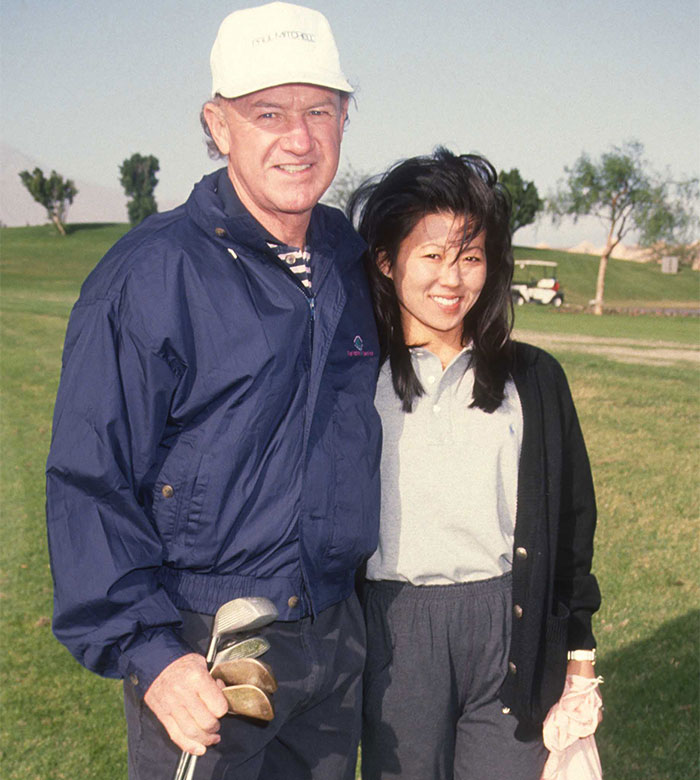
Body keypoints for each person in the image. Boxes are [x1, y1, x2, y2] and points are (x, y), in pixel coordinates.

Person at [45, 4, 381, 779]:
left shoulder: (351, 264)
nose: (298, 139)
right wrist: (152, 653)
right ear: (218, 124)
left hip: (332, 639)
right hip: (207, 642)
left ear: (343, 119)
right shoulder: (150, 275)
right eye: (268, 113)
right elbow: (89, 478)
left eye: (319, 112)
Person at [348, 148, 601, 780]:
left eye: (471, 257)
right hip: (396, 630)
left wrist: (580, 656)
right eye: (432, 255)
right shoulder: (351, 380)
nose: (452, 279)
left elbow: (572, 525)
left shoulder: (535, 379)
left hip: (508, 630)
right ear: (386, 261)